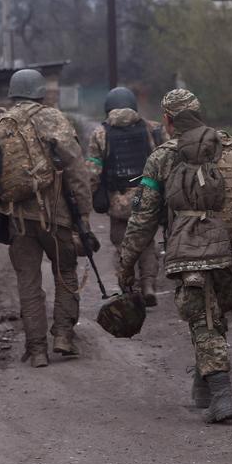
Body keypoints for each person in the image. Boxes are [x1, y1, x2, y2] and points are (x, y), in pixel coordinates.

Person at [116, 88, 232, 423]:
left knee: (204, 321)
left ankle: (222, 397)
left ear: (168, 120)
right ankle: (203, 388)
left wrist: (126, 262)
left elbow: (143, 217)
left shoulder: (163, 157)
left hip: (193, 251)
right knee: (214, 318)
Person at [0, 69, 97, 368]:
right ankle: (64, 336)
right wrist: (83, 212)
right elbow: (76, 168)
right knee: (65, 272)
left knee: (28, 283)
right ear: (41, 92)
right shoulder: (53, 119)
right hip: (57, 216)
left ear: (13, 92)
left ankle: (37, 349)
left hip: (17, 218)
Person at [85, 87, 162, 304]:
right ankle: (148, 285)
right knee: (146, 242)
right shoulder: (153, 129)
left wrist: (89, 197)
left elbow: (93, 171)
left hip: (118, 201)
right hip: (147, 196)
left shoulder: (101, 133)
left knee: (122, 244)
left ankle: (130, 288)